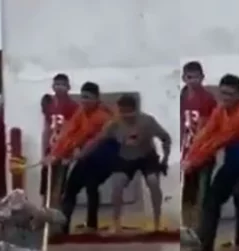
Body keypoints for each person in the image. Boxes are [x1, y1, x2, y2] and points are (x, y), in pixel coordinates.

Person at [182, 74, 239, 251]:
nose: (226, 98)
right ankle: (204, 248)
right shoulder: (220, 110)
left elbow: (218, 141)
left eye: (230, 94)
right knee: (212, 199)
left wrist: (193, 162)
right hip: (235, 163)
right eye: (223, 93)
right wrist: (189, 157)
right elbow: (205, 134)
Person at [84, 94, 171, 233]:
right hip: (125, 157)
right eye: (122, 113)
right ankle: (116, 222)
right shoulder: (114, 123)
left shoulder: (147, 121)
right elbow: (97, 140)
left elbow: (166, 138)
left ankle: (157, 222)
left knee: (153, 182)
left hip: (146, 155)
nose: (126, 117)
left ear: (135, 110)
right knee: (117, 184)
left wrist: (165, 159)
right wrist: (82, 154)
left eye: (129, 113)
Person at [43, 81, 113, 234]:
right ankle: (64, 226)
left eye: (88, 98)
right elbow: (69, 133)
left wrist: (74, 153)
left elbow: (95, 140)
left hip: (104, 157)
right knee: (71, 190)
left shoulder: (103, 116)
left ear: (96, 98)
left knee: (91, 186)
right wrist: (54, 154)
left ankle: (92, 225)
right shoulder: (81, 112)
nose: (85, 101)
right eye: (83, 97)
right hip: (85, 157)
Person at [180, 61, 218, 229]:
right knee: (188, 192)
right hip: (186, 152)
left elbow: (207, 127)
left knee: (203, 193)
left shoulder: (207, 98)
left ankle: (200, 227)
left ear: (202, 78)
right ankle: (187, 225)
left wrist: (201, 149)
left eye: (196, 77)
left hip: (204, 152)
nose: (192, 81)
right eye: (189, 77)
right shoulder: (181, 97)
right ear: (183, 78)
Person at [41, 74, 80, 207]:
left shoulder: (73, 106)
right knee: (46, 184)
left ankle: (55, 213)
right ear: (52, 86)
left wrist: (71, 149)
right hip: (50, 148)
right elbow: (46, 127)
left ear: (68, 87)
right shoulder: (49, 104)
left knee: (60, 184)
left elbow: (73, 130)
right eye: (57, 84)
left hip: (64, 149)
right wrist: (44, 150)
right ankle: (44, 211)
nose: (59, 88)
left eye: (62, 85)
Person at [0, 188, 67, 248]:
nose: (16, 212)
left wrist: (48, 215)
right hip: (11, 244)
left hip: (29, 239)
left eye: (19, 210)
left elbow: (62, 218)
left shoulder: (34, 211)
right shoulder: (3, 211)